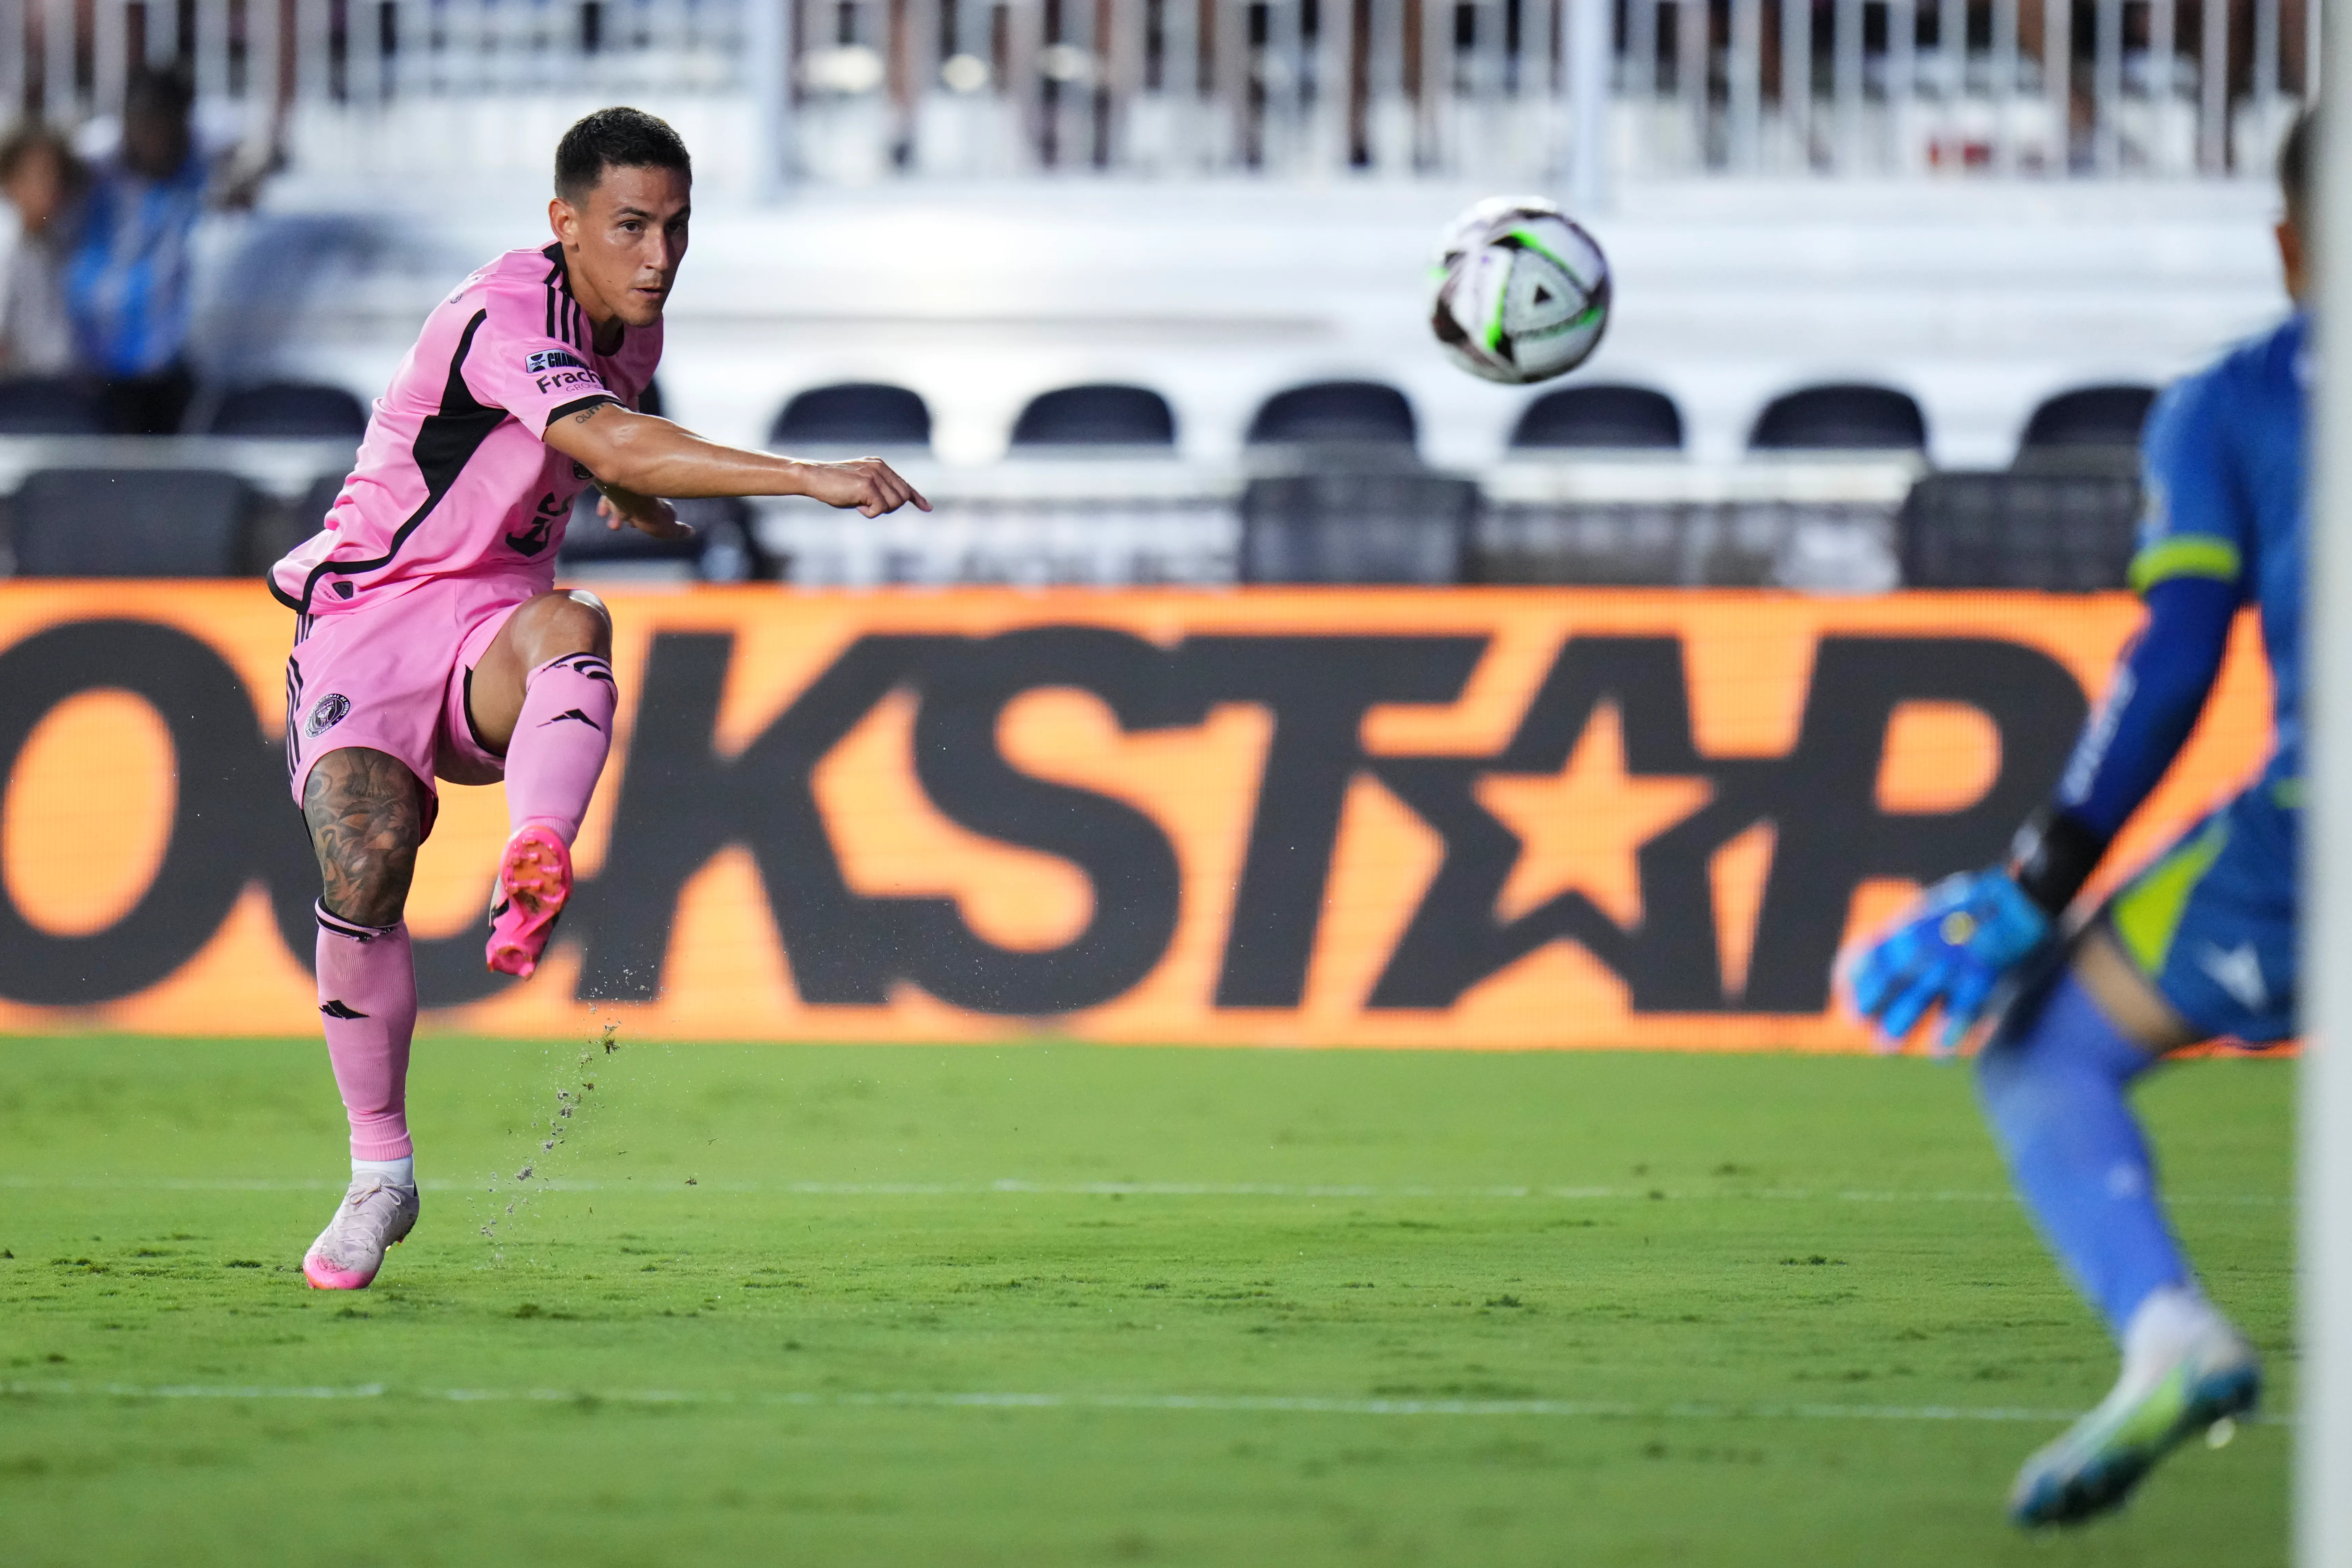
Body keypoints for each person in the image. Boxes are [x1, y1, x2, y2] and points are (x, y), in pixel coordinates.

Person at [275, 106, 927, 1292]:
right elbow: (608, 433)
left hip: (492, 623)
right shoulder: (501, 311)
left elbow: (593, 436)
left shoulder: (629, 319)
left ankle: (536, 857)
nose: (659, 256)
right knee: (361, 861)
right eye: (631, 226)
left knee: (575, 621)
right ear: (563, 223)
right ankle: (382, 1174)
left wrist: (609, 491)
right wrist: (803, 477)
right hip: (371, 610)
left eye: (677, 228)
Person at [1843, 112, 2309, 1528]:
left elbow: (2172, 665)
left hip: (2316, 831)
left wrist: (2039, 879)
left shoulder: (2238, 400)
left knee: (2044, 1045)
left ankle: (2168, 1329)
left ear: (2288, 242)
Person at [61, 66, 271, 433]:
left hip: (169, 363)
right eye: (143, 125)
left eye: (163, 125)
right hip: (90, 362)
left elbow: (263, 155)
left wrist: (243, 177)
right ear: (126, 122)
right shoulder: (91, 165)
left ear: (183, 123)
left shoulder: (204, 160)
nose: (153, 139)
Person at [0, 123, 81, 377]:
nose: (53, 185)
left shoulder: (55, 239)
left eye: (60, 176)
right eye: (42, 175)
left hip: (53, 385)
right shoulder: (5, 244)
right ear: (10, 179)